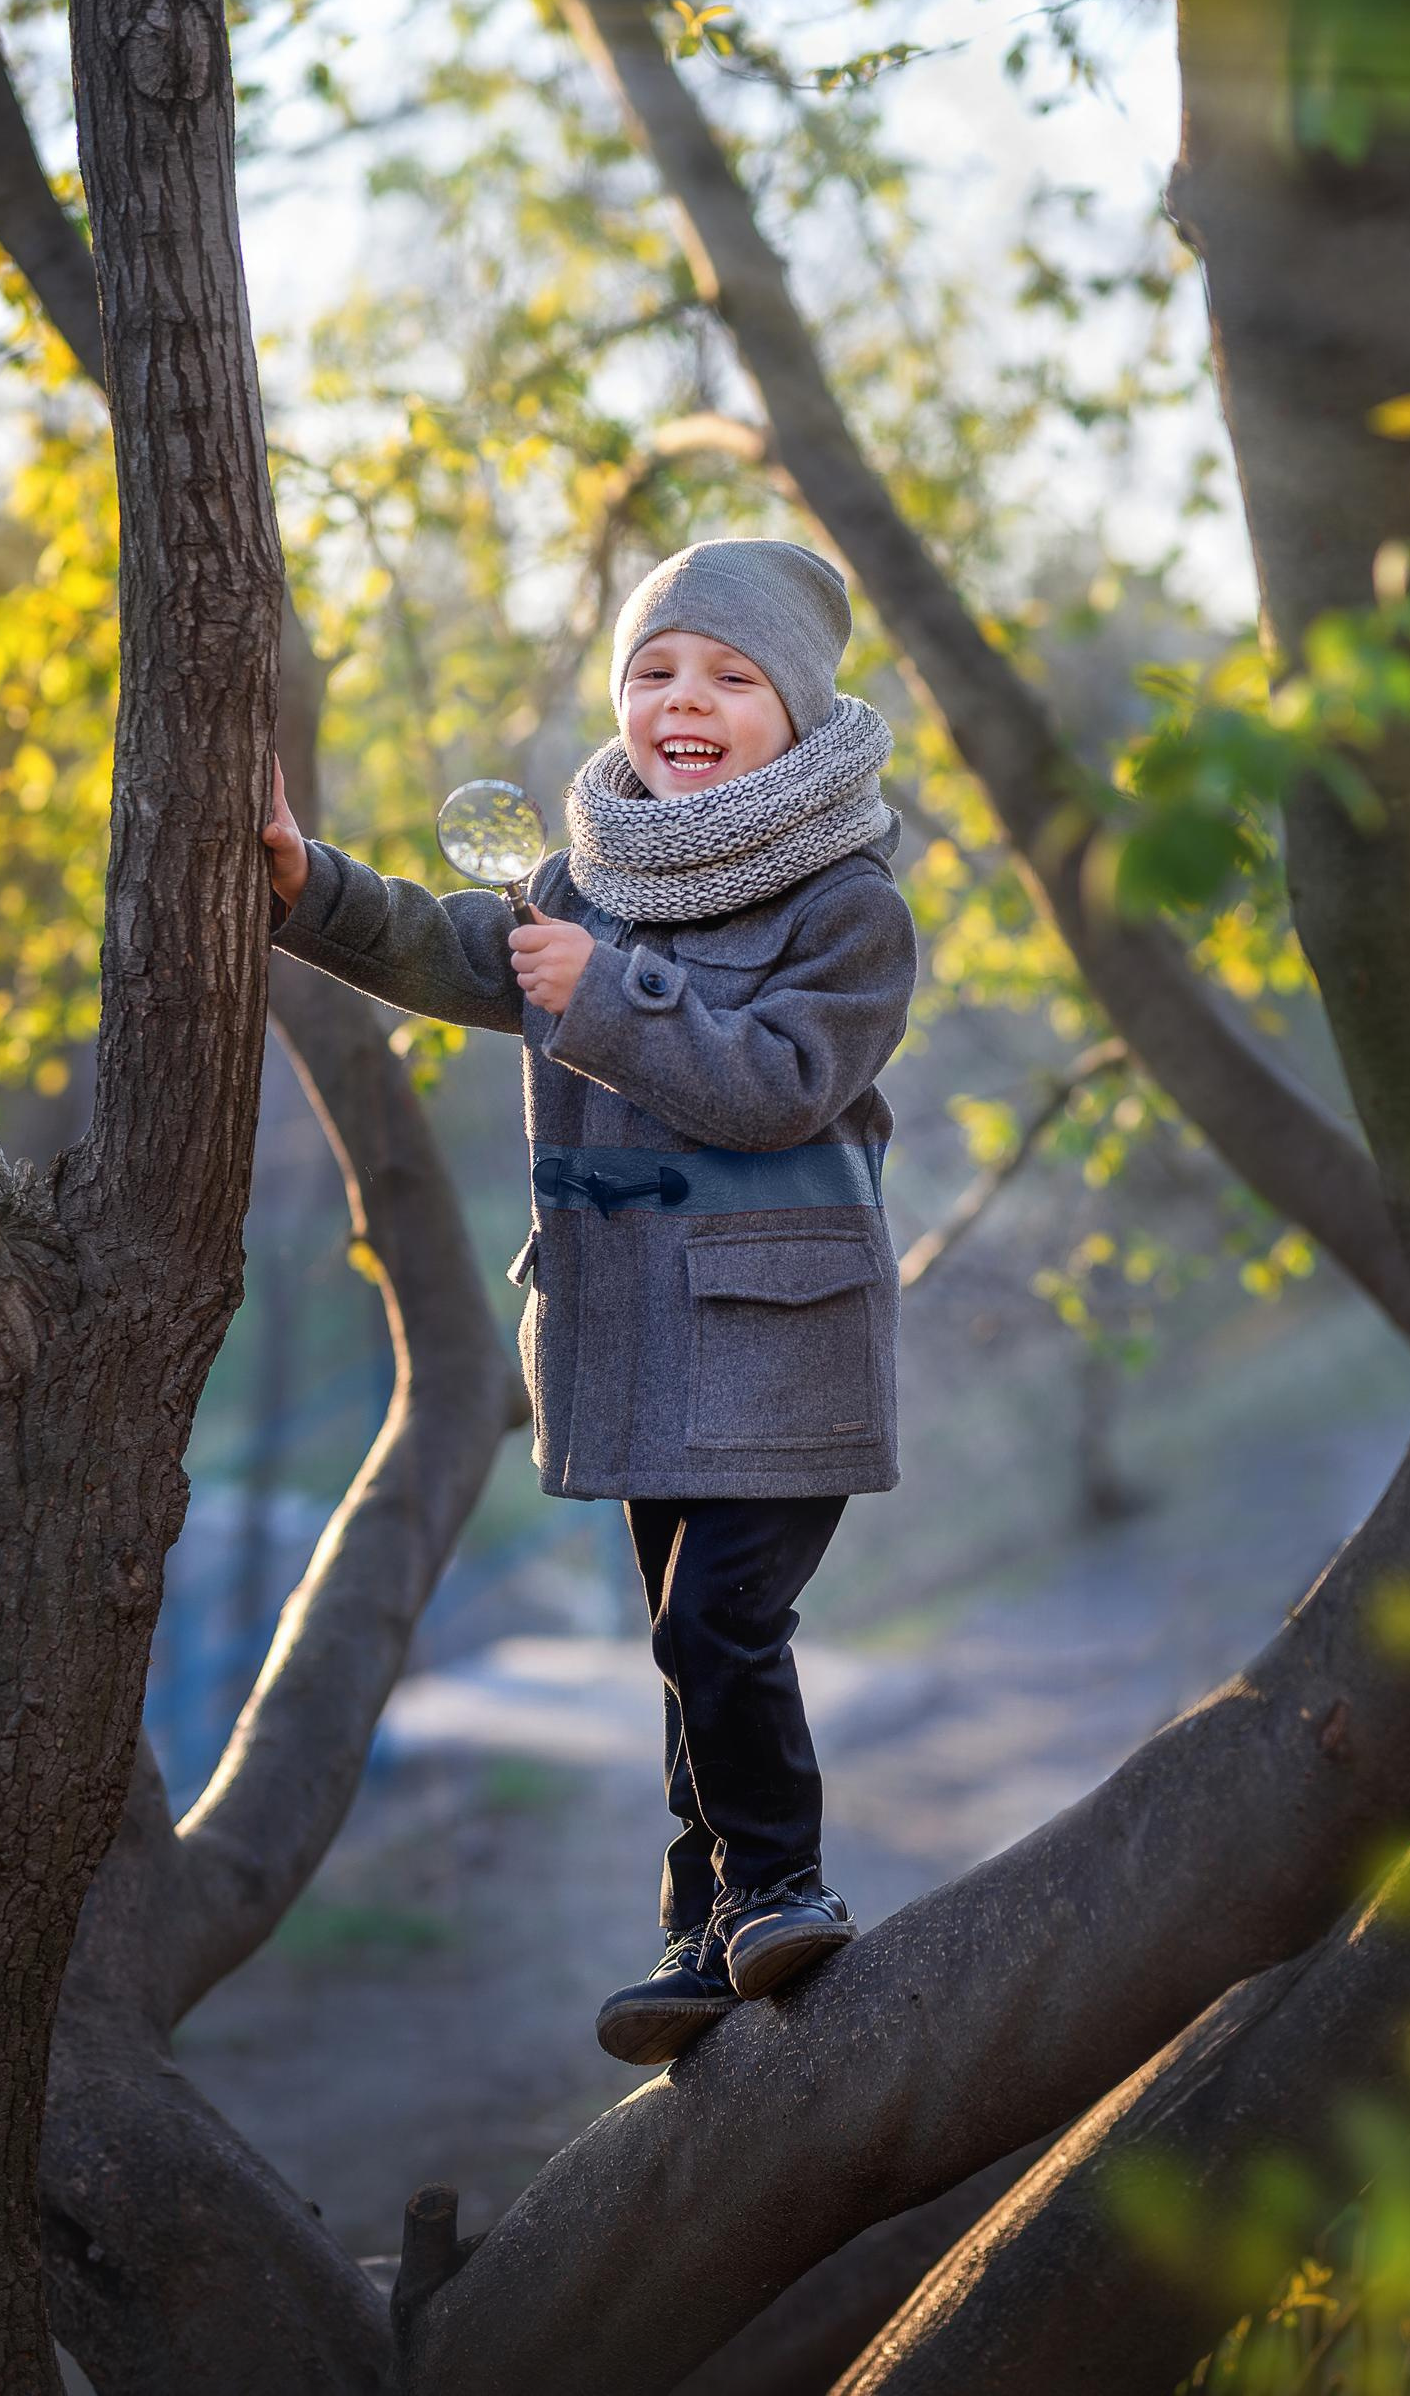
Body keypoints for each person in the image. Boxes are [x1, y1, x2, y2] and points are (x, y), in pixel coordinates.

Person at [262, 537, 918, 2067]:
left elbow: (784, 1085)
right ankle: (705, 1927)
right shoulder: (581, 883)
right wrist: (310, 887)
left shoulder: (846, 907)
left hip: (778, 1340)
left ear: (800, 711)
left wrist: (603, 993)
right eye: (653, 671)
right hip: (630, 1338)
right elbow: (445, 946)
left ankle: (782, 1883)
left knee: (717, 1621)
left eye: (729, 677)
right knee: (685, 1650)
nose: (682, 699)